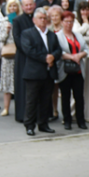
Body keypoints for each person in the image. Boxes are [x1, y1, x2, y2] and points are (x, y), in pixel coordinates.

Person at [21, 7, 61, 136]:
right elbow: (28, 50)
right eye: (40, 18)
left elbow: (58, 50)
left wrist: (53, 56)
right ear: (34, 20)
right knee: (32, 101)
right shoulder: (27, 33)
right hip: (33, 73)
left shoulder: (51, 34)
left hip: (48, 73)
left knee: (45, 100)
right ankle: (29, 125)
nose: (43, 20)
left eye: (44, 18)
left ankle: (43, 124)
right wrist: (45, 58)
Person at [55, 11, 87, 130]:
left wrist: (79, 55)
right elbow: (58, 52)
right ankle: (67, 120)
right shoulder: (58, 36)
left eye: (71, 21)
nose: (69, 24)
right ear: (62, 22)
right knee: (65, 96)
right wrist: (72, 56)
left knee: (79, 97)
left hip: (78, 70)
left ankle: (81, 120)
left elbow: (86, 49)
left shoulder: (77, 35)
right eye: (66, 21)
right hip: (65, 70)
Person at [13, 0, 36, 122]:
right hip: (23, 57)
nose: (28, 7)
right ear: (22, 7)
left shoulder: (38, 19)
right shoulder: (17, 20)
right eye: (26, 5)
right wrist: (30, 52)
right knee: (23, 86)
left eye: (30, 4)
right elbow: (17, 39)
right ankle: (23, 114)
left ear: (34, 5)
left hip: (36, 57)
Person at [0, 0, 21, 116]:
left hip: (19, 53)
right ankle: (6, 108)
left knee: (19, 82)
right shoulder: (4, 21)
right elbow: (1, 38)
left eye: (15, 6)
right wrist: (6, 31)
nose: (13, 8)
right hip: (7, 54)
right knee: (7, 82)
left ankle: (20, 107)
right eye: (10, 6)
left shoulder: (21, 20)